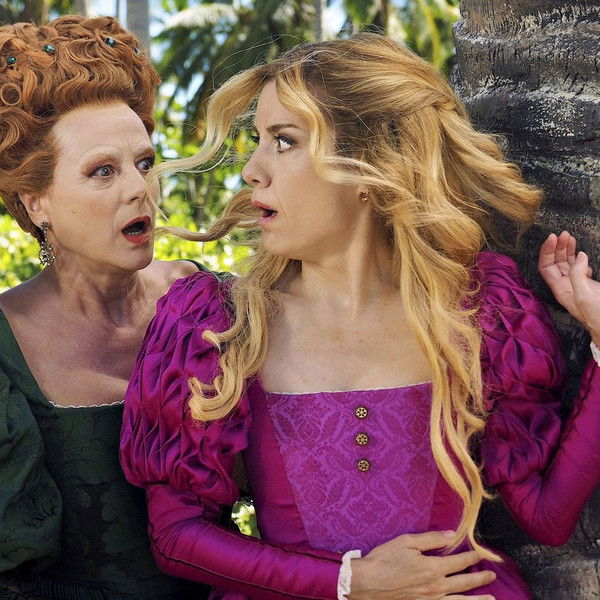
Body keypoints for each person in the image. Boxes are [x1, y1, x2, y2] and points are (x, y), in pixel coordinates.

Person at [120, 34, 600, 600]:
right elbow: (177, 537)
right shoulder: (218, 327)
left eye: (284, 141)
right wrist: (349, 582)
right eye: (258, 140)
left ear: (370, 166)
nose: (251, 170)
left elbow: (547, 517)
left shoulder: (479, 312)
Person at [0, 15, 208, 600]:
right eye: (102, 172)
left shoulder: (205, 303)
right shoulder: (5, 348)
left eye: (144, 162)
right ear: (36, 202)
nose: (140, 188)